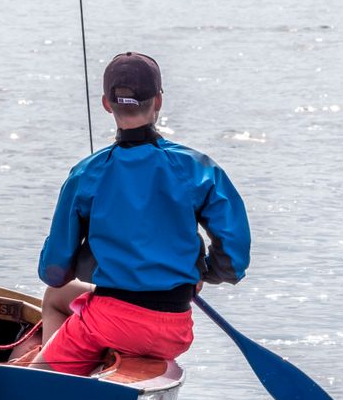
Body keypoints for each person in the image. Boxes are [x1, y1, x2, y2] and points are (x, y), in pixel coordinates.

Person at [26, 52, 251, 375]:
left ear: (106, 104)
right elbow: (234, 256)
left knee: (40, 359)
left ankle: (58, 372)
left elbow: (54, 272)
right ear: (158, 101)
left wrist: (90, 261)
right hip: (173, 330)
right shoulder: (197, 169)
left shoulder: (86, 174)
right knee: (67, 298)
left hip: (109, 322)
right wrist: (204, 272)